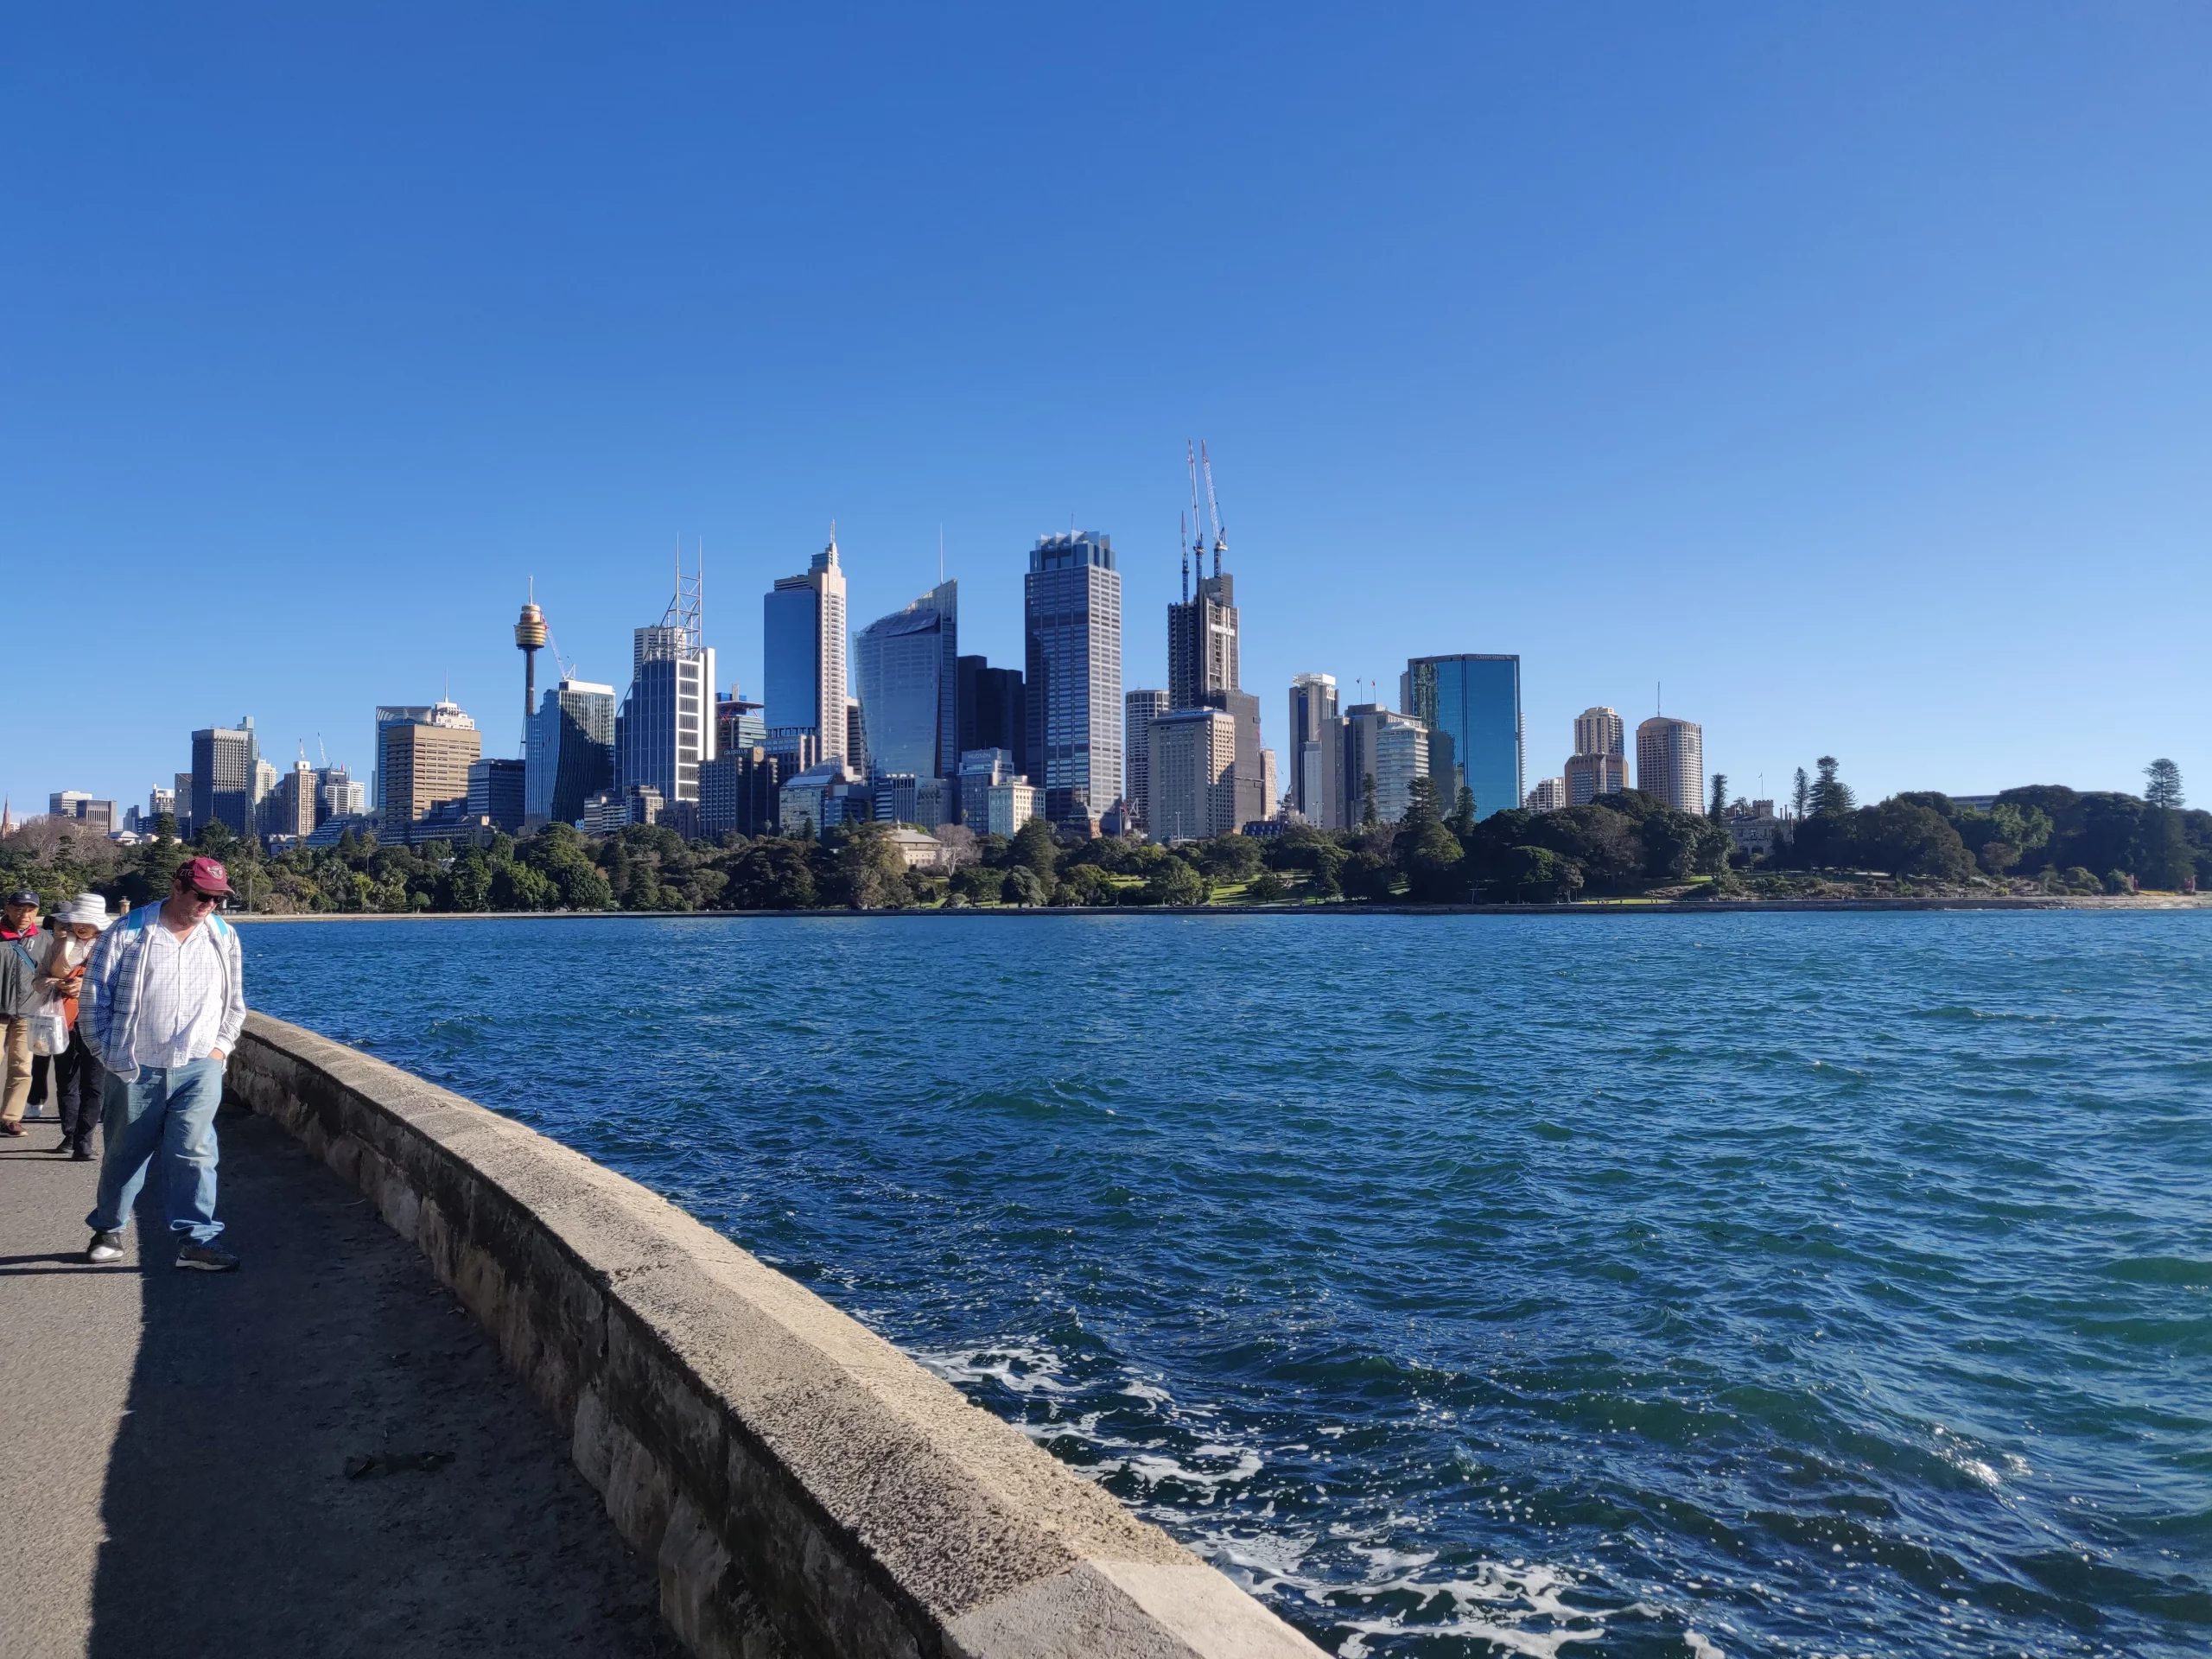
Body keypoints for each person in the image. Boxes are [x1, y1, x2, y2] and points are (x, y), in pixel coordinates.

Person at [79, 858, 246, 1270]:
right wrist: (109, 1054)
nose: (209, 905)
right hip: (136, 1065)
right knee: (125, 1152)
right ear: (177, 887)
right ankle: (109, 1229)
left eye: (218, 898)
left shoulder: (222, 936)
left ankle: (197, 1240)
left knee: (195, 1152)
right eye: (202, 895)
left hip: (199, 1065)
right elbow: (94, 997)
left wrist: (220, 1050)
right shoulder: (129, 932)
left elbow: (234, 1001)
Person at [35, 896, 115, 1160]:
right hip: (62, 1021)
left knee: (94, 1083)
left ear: (97, 923)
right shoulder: (59, 944)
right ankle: (69, 1135)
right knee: (66, 1080)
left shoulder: (112, 946)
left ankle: (84, 1141)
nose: (80, 926)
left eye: (86, 922)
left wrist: (86, 986)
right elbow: (39, 979)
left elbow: (120, 985)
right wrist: (57, 983)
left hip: (98, 1021)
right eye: (77, 920)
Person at [0, 888, 42, 1136]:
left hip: (27, 1012)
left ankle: (10, 1118)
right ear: (7, 909)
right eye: (18, 909)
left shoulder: (44, 939)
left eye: (30, 910)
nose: (24, 914)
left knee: (22, 1067)